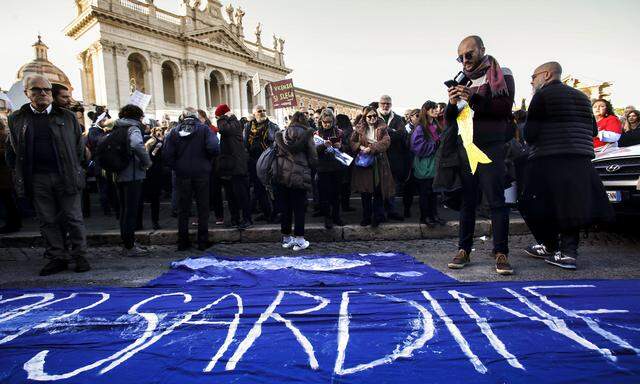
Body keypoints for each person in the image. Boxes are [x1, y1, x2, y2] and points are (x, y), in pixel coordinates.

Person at [521, 62, 613, 269]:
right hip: (580, 157)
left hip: (548, 157)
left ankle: (550, 244)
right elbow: (593, 131)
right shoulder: (582, 97)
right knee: (571, 204)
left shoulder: (542, 96)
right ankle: (568, 252)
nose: (532, 81)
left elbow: (530, 133)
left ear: (546, 75)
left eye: (533, 77)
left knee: (531, 202)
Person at [5, 74, 90, 275]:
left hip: (66, 175)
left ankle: (80, 256)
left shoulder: (67, 116)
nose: (43, 93)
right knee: (47, 220)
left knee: (73, 218)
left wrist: (77, 170)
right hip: (37, 178)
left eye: (46, 90)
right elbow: (13, 150)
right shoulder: (17, 118)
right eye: (36, 90)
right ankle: (57, 257)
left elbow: (79, 148)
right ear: (27, 93)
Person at [444, 35, 515, 275]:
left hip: (491, 146)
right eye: (460, 57)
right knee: (467, 201)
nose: (464, 60)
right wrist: (452, 103)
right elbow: (449, 120)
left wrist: (472, 97)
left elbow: (504, 108)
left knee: (496, 201)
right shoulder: (461, 80)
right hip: (466, 146)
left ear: (482, 50)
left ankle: (501, 252)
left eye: (469, 55)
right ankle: (463, 249)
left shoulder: (501, 73)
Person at [163, 107, 219, 251]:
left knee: (183, 209)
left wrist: (177, 166)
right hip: (201, 172)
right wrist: (207, 162)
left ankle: (183, 242)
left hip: (182, 173)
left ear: (183, 116)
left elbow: (167, 155)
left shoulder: (174, 131)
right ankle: (202, 242)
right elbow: (214, 148)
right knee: (203, 207)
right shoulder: (205, 130)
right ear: (196, 117)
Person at [274, 111, 317, 250]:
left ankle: (286, 238)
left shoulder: (282, 134)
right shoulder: (307, 134)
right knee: (299, 208)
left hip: (283, 175)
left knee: (285, 207)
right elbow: (313, 157)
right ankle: (299, 239)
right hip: (300, 175)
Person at [112, 105, 152, 256]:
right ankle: (129, 246)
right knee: (131, 211)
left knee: (124, 210)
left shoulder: (117, 126)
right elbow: (136, 144)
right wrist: (147, 162)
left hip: (120, 172)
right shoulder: (133, 128)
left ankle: (127, 242)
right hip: (133, 173)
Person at [350, 105, 395, 227]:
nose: (372, 118)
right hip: (365, 164)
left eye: (374, 115)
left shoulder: (382, 127)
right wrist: (360, 146)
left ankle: (378, 216)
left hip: (380, 163)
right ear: (365, 117)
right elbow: (352, 142)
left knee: (378, 190)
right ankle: (366, 217)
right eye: (369, 116)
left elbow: (386, 142)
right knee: (365, 192)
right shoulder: (359, 129)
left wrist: (372, 147)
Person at [215, 104, 252, 230]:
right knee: (231, 195)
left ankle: (247, 219)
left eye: (219, 116)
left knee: (241, 195)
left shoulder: (233, 123)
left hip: (237, 166)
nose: (218, 119)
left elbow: (223, 129)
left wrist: (223, 117)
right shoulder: (231, 123)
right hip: (229, 165)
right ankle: (235, 218)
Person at [243, 104, 279, 222]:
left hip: (269, 161)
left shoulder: (273, 126)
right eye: (259, 111)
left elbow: (277, 144)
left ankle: (276, 213)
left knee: (272, 188)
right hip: (253, 161)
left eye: (264, 110)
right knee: (259, 189)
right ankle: (266, 212)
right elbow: (245, 144)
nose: (262, 112)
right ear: (254, 114)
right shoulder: (248, 126)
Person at [377, 95, 410, 221]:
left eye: (388, 103)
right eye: (383, 103)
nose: (385, 105)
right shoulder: (374, 116)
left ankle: (391, 210)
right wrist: (392, 132)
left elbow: (401, 134)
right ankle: (380, 212)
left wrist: (387, 132)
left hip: (394, 157)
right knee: (379, 186)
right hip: (378, 156)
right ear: (379, 104)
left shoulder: (397, 118)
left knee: (392, 185)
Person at [411, 102, 443, 227]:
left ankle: (434, 215)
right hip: (424, 164)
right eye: (433, 108)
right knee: (425, 192)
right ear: (426, 111)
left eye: (436, 108)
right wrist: (435, 145)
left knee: (434, 192)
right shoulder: (420, 128)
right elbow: (416, 146)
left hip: (434, 163)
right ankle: (425, 217)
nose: (436, 110)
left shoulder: (435, 125)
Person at [315, 109, 346, 229]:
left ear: (333, 121)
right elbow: (313, 150)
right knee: (324, 194)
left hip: (337, 167)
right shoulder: (317, 133)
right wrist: (323, 146)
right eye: (325, 122)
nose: (327, 124)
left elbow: (348, 147)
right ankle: (327, 217)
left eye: (329, 121)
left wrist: (341, 146)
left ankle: (336, 216)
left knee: (336, 194)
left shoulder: (339, 132)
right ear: (321, 121)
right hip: (322, 168)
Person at [0, 117, 21, 234]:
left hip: (5, 175)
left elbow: (7, 153)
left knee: (8, 200)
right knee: (8, 200)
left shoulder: (3, 136)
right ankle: (13, 222)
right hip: (5, 175)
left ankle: (13, 223)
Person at [141, 127, 165, 230]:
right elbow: (153, 154)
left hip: (150, 170)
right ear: (154, 132)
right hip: (154, 170)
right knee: (155, 198)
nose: (159, 132)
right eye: (157, 131)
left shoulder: (154, 141)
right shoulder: (155, 142)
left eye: (160, 131)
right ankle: (155, 221)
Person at [336, 113, 355, 212]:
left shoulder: (337, 131)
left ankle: (338, 205)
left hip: (338, 159)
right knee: (346, 184)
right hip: (347, 160)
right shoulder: (350, 131)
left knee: (339, 184)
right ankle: (345, 205)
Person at [403, 108, 420, 218]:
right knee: (408, 188)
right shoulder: (405, 129)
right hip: (409, 162)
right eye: (417, 116)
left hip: (421, 161)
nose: (419, 118)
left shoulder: (424, 127)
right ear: (411, 117)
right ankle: (406, 209)